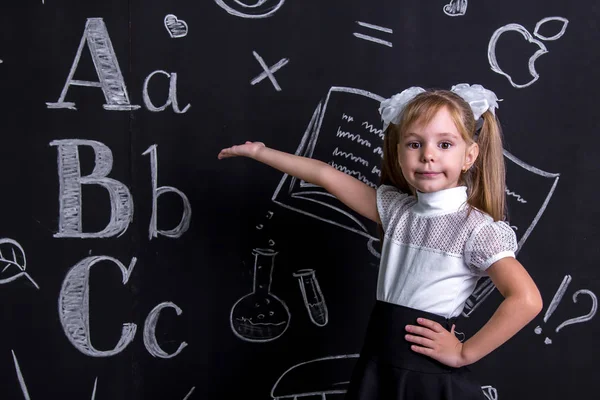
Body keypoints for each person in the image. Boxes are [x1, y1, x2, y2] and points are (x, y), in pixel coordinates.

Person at [218, 83, 543, 399]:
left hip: (422, 372)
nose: (428, 155)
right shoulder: (396, 209)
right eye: (415, 144)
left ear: (469, 156)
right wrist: (261, 153)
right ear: (398, 151)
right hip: (378, 362)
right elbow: (324, 175)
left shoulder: (476, 229)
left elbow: (526, 299)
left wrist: (463, 353)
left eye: (445, 145)